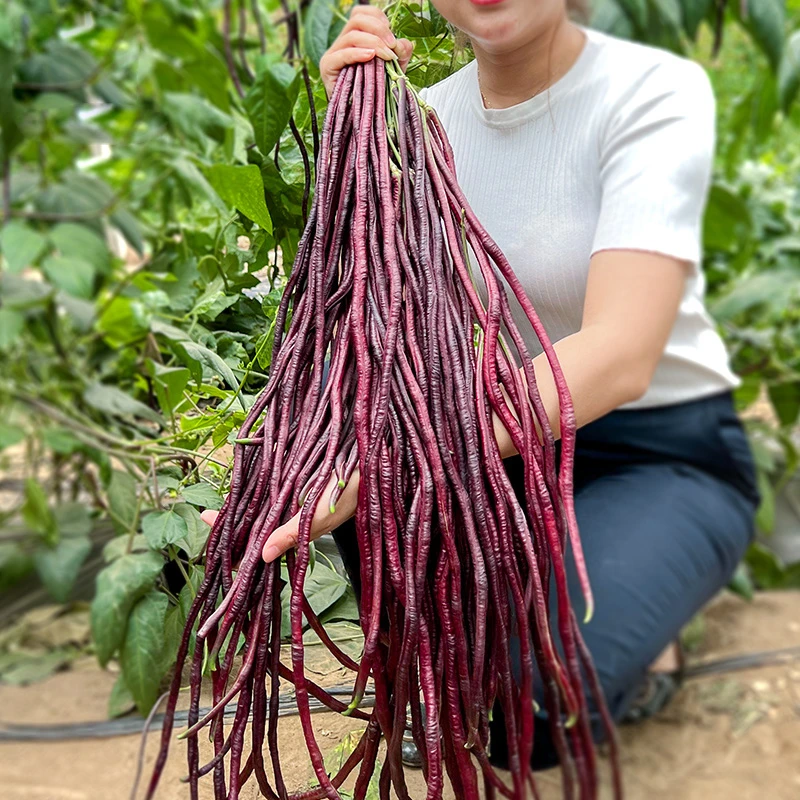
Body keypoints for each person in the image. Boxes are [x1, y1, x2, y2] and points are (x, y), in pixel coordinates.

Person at [203, 0, 759, 771]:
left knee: (534, 710)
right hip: (509, 441)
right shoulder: (421, 119)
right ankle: (485, 643)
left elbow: (621, 352)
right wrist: (354, 133)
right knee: (428, 623)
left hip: (659, 448)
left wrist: (380, 459)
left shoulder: (651, 89)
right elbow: (371, 318)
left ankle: (643, 625)